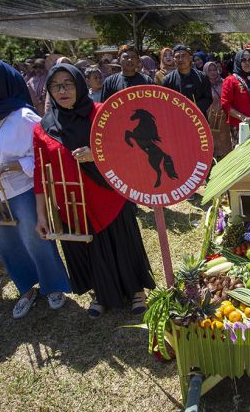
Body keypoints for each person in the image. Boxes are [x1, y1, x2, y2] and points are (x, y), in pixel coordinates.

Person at [34, 64, 155, 318]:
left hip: (108, 197)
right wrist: (42, 215)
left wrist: (96, 154)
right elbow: (39, 173)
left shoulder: (102, 114)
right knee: (89, 248)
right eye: (56, 86)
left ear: (79, 85)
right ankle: (101, 293)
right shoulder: (42, 127)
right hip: (72, 203)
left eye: (68, 83)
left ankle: (136, 290)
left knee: (120, 243)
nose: (63, 90)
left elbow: (127, 151)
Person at [0, 57, 70, 319]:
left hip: (23, 191)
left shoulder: (23, 117)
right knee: (6, 243)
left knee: (36, 238)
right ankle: (26, 288)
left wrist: (7, 168)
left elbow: (42, 157)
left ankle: (53, 286)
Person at [221, 50, 250, 145]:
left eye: (249, 60)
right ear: (238, 62)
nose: (247, 63)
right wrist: (242, 117)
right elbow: (225, 104)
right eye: (243, 60)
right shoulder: (230, 80)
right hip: (239, 125)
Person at [162, 45, 213, 114]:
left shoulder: (202, 77)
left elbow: (208, 98)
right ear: (174, 59)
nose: (180, 59)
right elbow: (166, 103)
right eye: (177, 57)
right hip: (178, 118)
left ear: (190, 58)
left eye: (183, 56)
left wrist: (192, 108)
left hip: (199, 119)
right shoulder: (168, 80)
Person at [203, 61, 232, 159]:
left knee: (226, 139)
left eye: (214, 69)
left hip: (224, 117)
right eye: (210, 70)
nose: (213, 72)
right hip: (211, 118)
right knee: (213, 141)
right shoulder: (203, 85)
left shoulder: (224, 82)